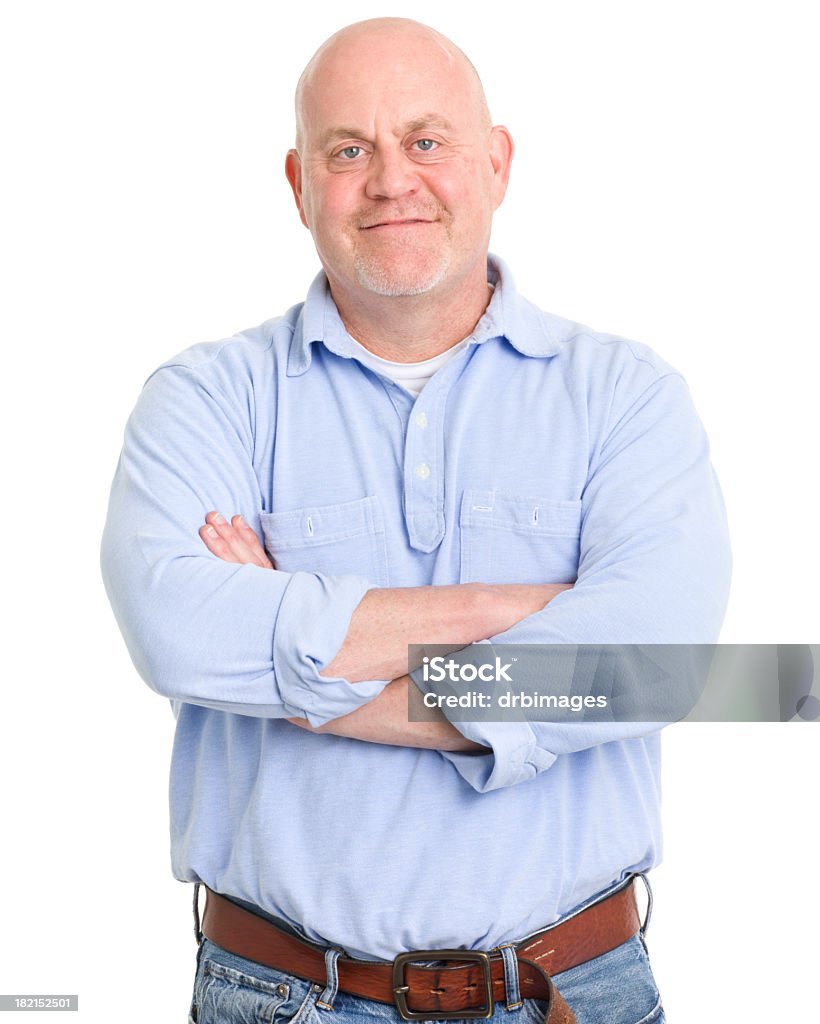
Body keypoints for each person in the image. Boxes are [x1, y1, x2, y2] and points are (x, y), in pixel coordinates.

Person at [101, 17, 731, 1024]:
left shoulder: (626, 396)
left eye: (425, 141)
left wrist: (301, 680)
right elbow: (178, 630)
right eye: (348, 150)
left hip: (575, 992)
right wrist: (516, 607)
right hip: (280, 998)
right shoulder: (205, 398)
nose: (391, 178)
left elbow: (649, 663)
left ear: (495, 162)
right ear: (301, 184)